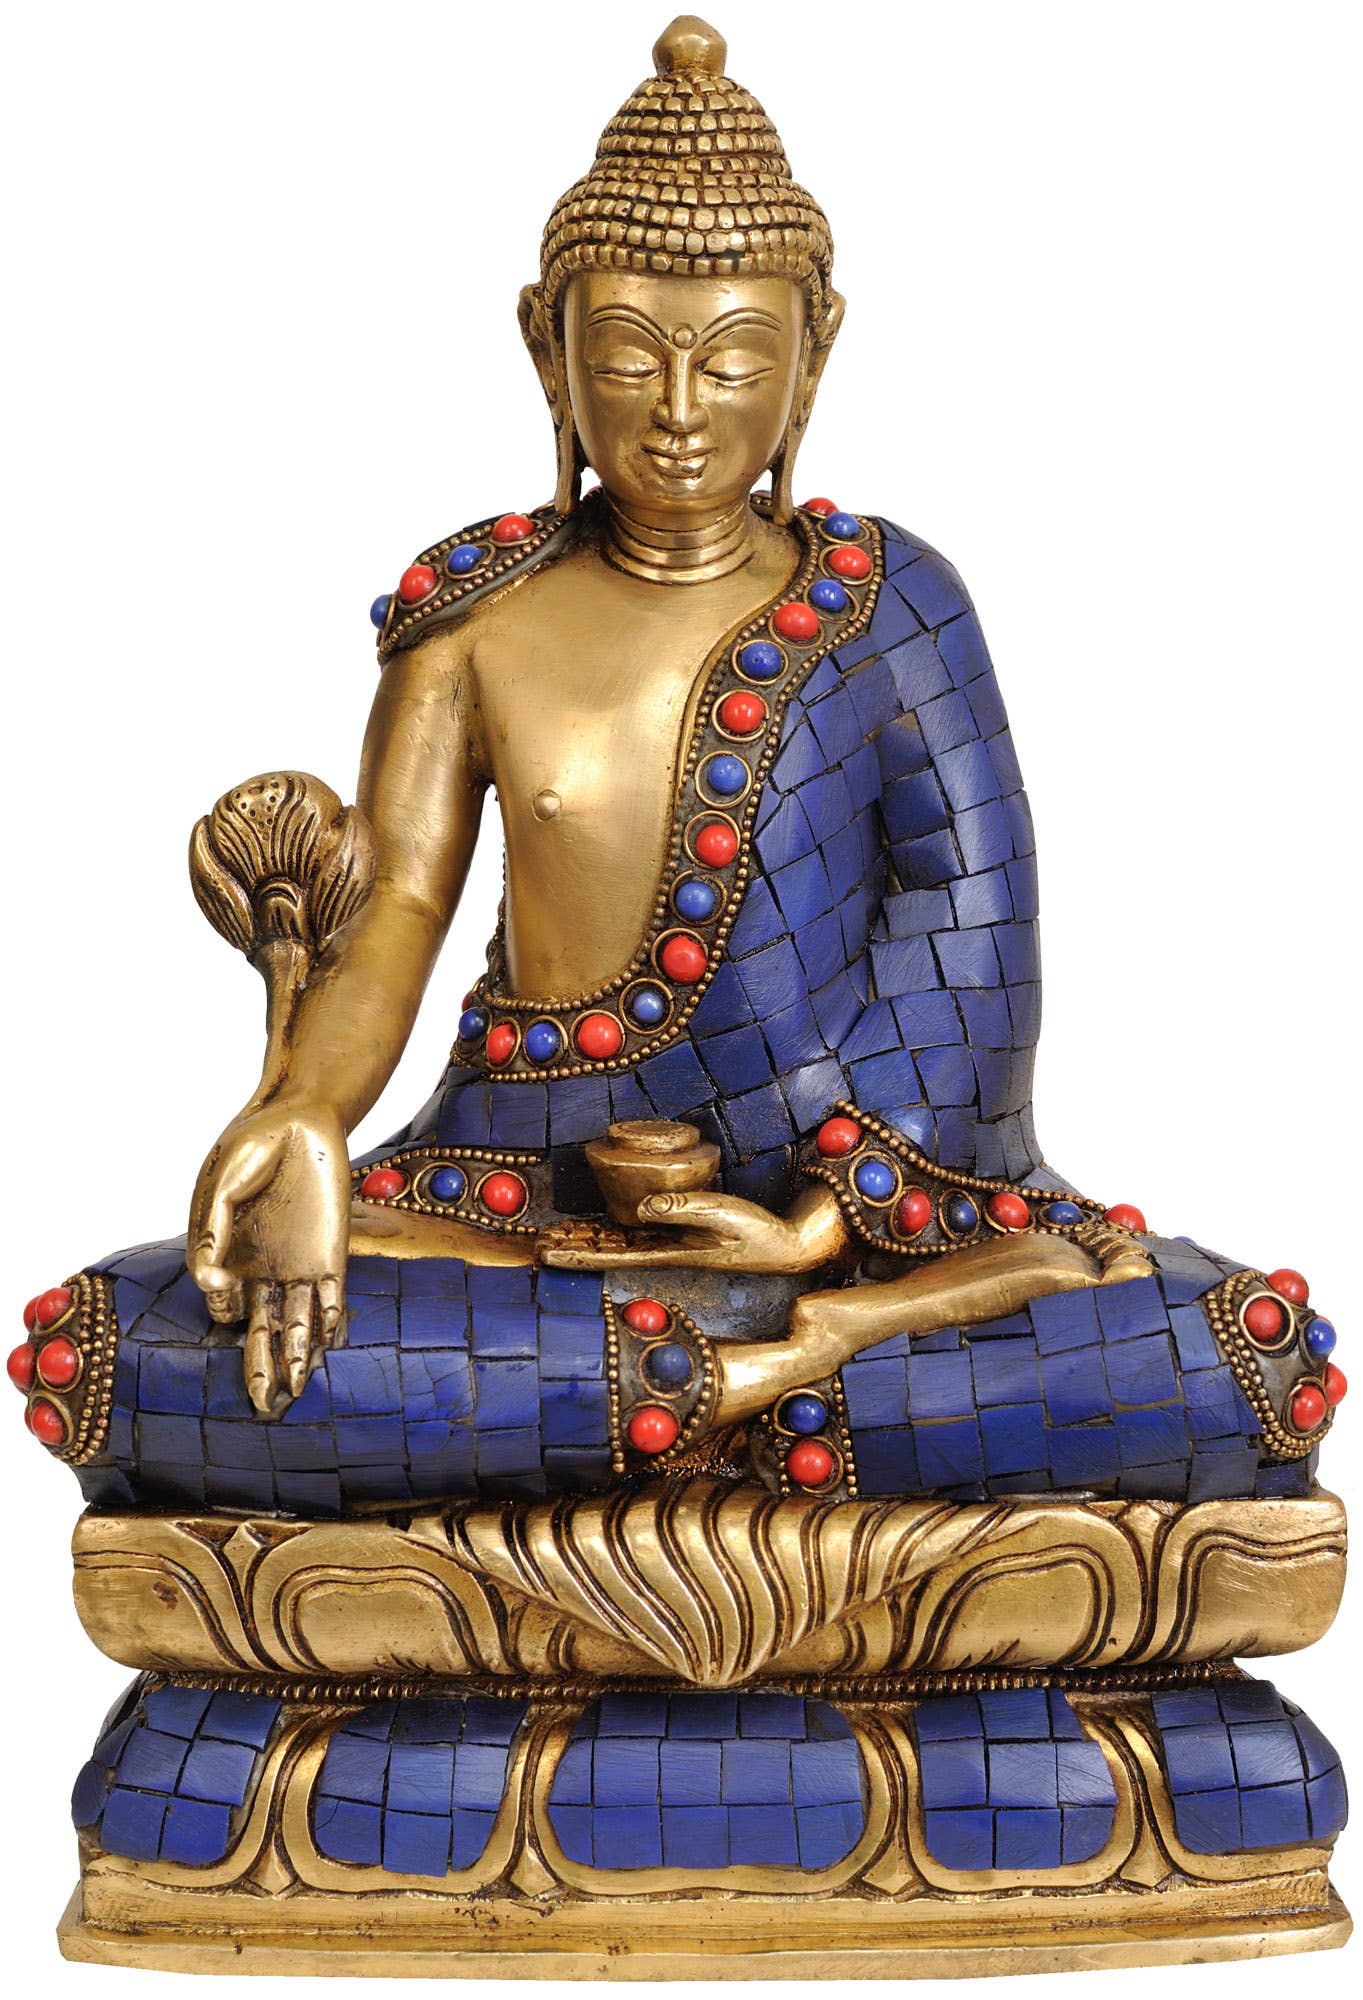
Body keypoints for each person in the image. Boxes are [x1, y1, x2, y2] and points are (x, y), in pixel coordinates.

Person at [10, 16, 1342, 1516]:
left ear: (814, 352)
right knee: (109, 1343)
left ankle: (662, 1393)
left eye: (735, 357)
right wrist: (307, 1111)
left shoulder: (896, 611)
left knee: (1240, 1352)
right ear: (547, 347)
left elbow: (973, 947)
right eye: (630, 355)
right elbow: (394, 911)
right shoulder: (473, 618)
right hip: (521, 1213)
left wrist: (818, 1231)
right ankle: (761, 1396)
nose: (683, 409)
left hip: (870, 1236)